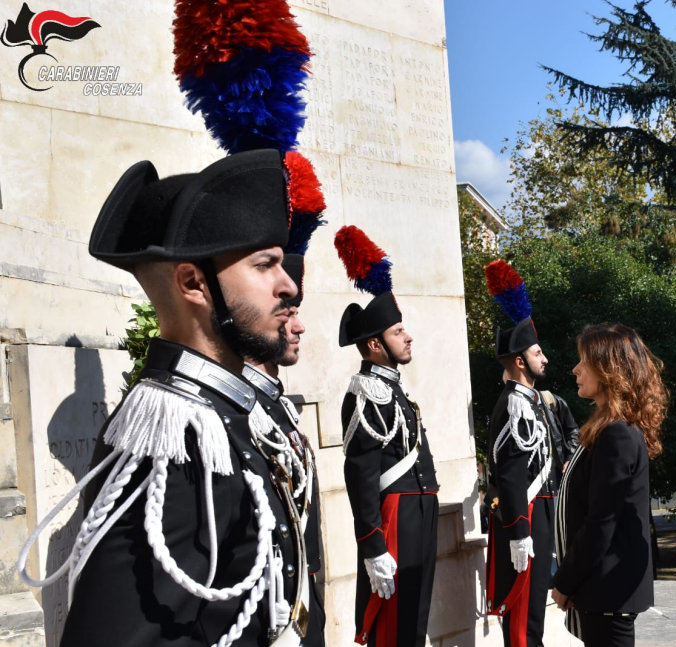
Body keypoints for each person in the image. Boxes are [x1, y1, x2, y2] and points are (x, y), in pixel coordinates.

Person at [18, 149, 326, 646]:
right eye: (265, 265)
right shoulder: (175, 440)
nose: (287, 285)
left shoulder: (224, 413)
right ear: (192, 283)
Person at [335, 225, 439, 647]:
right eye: (398, 333)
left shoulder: (393, 388)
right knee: (393, 626)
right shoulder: (366, 392)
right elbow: (360, 475)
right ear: (375, 345)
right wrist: (373, 546)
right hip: (396, 515)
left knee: (413, 622)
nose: (408, 336)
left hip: (419, 510)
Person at [551, 323, 667, 647]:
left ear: (608, 369)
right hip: (602, 590)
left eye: (583, 361)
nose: (575, 369)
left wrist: (566, 581)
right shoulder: (608, 429)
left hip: (608, 589)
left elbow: (601, 522)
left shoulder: (616, 434)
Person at [242, 253, 326, 644]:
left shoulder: (277, 407)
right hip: (270, 612)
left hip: (304, 598)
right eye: (286, 313)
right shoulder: (242, 411)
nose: (299, 326)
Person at [483, 260, 556, 647]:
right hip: (525, 518)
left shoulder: (529, 402)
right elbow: (511, 474)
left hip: (537, 514)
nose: (544, 359)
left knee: (534, 619)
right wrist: (520, 532)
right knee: (523, 624)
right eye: (537, 353)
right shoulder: (514, 405)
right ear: (519, 360)